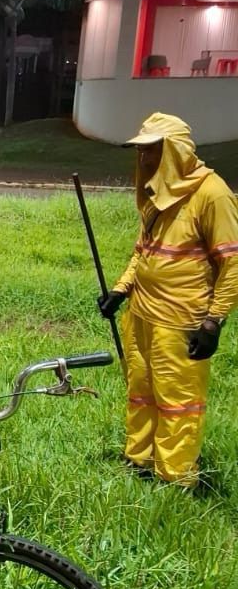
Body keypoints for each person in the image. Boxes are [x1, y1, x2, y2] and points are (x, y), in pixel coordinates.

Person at [98, 112, 238, 487]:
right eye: (141, 152)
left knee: (177, 401)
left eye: (153, 151)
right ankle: (139, 460)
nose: (144, 160)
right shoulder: (158, 195)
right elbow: (145, 249)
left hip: (180, 319)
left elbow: (232, 262)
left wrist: (214, 321)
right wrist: (121, 289)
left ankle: (175, 480)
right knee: (141, 390)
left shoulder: (212, 194)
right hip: (141, 314)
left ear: (174, 153)